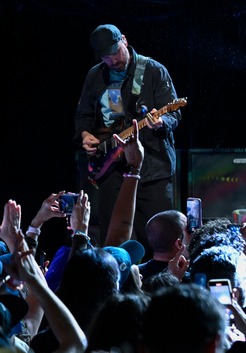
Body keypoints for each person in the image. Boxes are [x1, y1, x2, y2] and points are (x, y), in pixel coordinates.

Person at [75, 24, 181, 250]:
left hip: (152, 169)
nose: (113, 61)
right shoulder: (95, 76)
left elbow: (174, 114)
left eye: (116, 54)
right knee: (111, 241)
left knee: (159, 240)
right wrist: (85, 135)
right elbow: (83, 115)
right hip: (112, 170)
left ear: (124, 39)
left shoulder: (153, 70)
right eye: (107, 58)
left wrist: (161, 122)